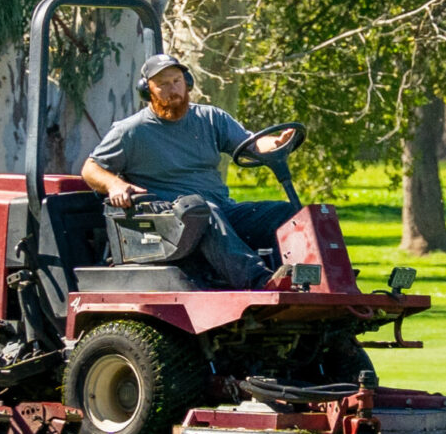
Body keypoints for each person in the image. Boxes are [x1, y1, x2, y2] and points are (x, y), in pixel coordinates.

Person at [80, 54, 300, 289]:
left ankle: (304, 279)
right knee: (203, 211)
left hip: (221, 211)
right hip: (169, 224)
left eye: (176, 81)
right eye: (162, 84)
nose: (172, 89)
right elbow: (91, 168)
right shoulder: (130, 131)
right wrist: (114, 184)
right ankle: (260, 283)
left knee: (284, 213)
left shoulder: (211, 118)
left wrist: (275, 143)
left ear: (187, 83)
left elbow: (252, 144)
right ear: (147, 91)